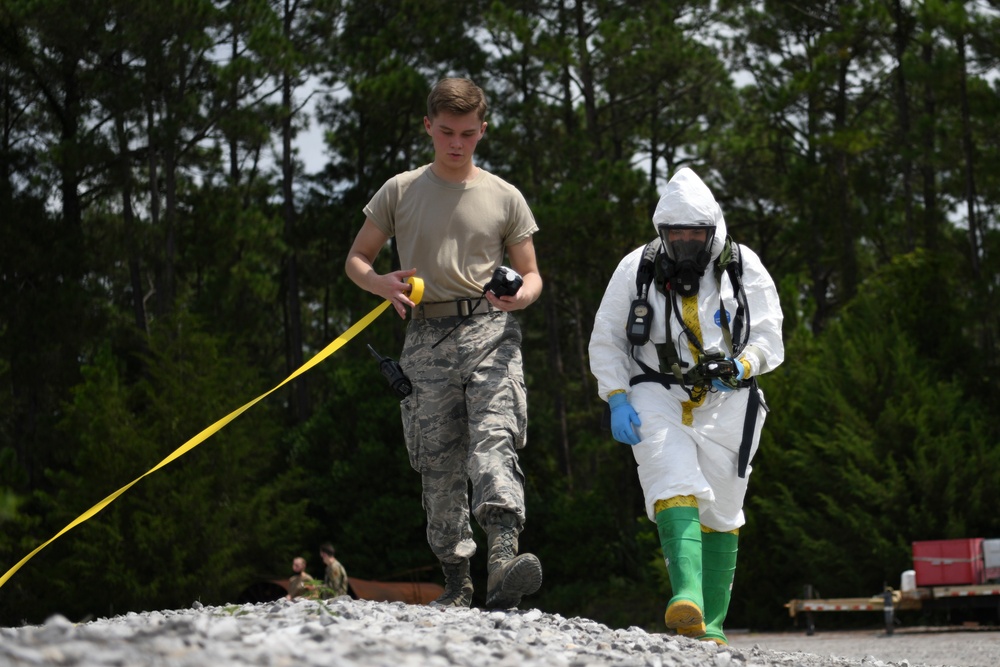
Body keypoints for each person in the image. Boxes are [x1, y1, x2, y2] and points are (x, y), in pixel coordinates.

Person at [345, 77, 544, 609]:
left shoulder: (505, 196)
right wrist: (380, 282)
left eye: (468, 134)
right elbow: (356, 260)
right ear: (428, 126)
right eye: (447, 132)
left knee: (494, 439)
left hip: (491, 331)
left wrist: (519, 296)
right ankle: (457, 579)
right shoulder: (399, 190)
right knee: (437, 463)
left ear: (483, 130)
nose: (457, 144)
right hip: (425, 336)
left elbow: (532, 275)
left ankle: (504, 556)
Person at [588, 167, 784, 644]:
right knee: (669, 478)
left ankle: (710, 627)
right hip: (656, 391)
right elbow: (608, 336)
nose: (687, 243)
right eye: (676, 234)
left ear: (712, 232)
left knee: (722, 509)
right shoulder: (637, 267)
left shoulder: (743, 266)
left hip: (729, 399)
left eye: (696, 234)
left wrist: (740, 366)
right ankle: (687, 597)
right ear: (662, 232)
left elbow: (769, 336)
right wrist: (616, 396)